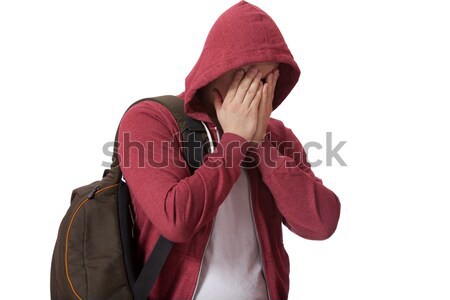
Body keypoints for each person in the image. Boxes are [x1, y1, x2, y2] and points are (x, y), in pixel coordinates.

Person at [118, 1, 341, 299]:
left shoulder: (275, 134)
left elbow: (321, 222)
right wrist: (234, 140)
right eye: (246, 76)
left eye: (265, 80)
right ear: (216, 68)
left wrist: (258, 142)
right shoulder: (151, 119)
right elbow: (176, 220)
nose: (256, 92)